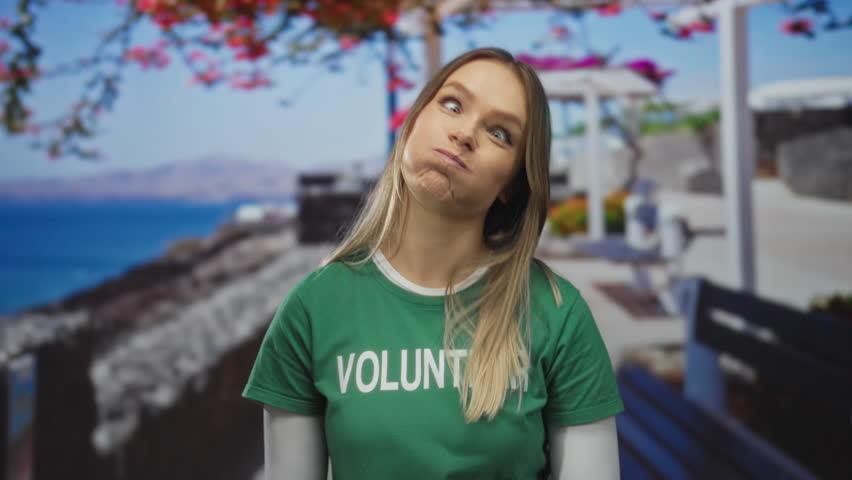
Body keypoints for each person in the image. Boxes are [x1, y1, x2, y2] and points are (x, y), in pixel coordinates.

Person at [242, 47, 624, 479]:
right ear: (412, 123)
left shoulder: (557, 313)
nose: (464, 133)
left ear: (512, 184)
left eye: (500, 133)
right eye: (453, 105)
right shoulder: (313, 308)